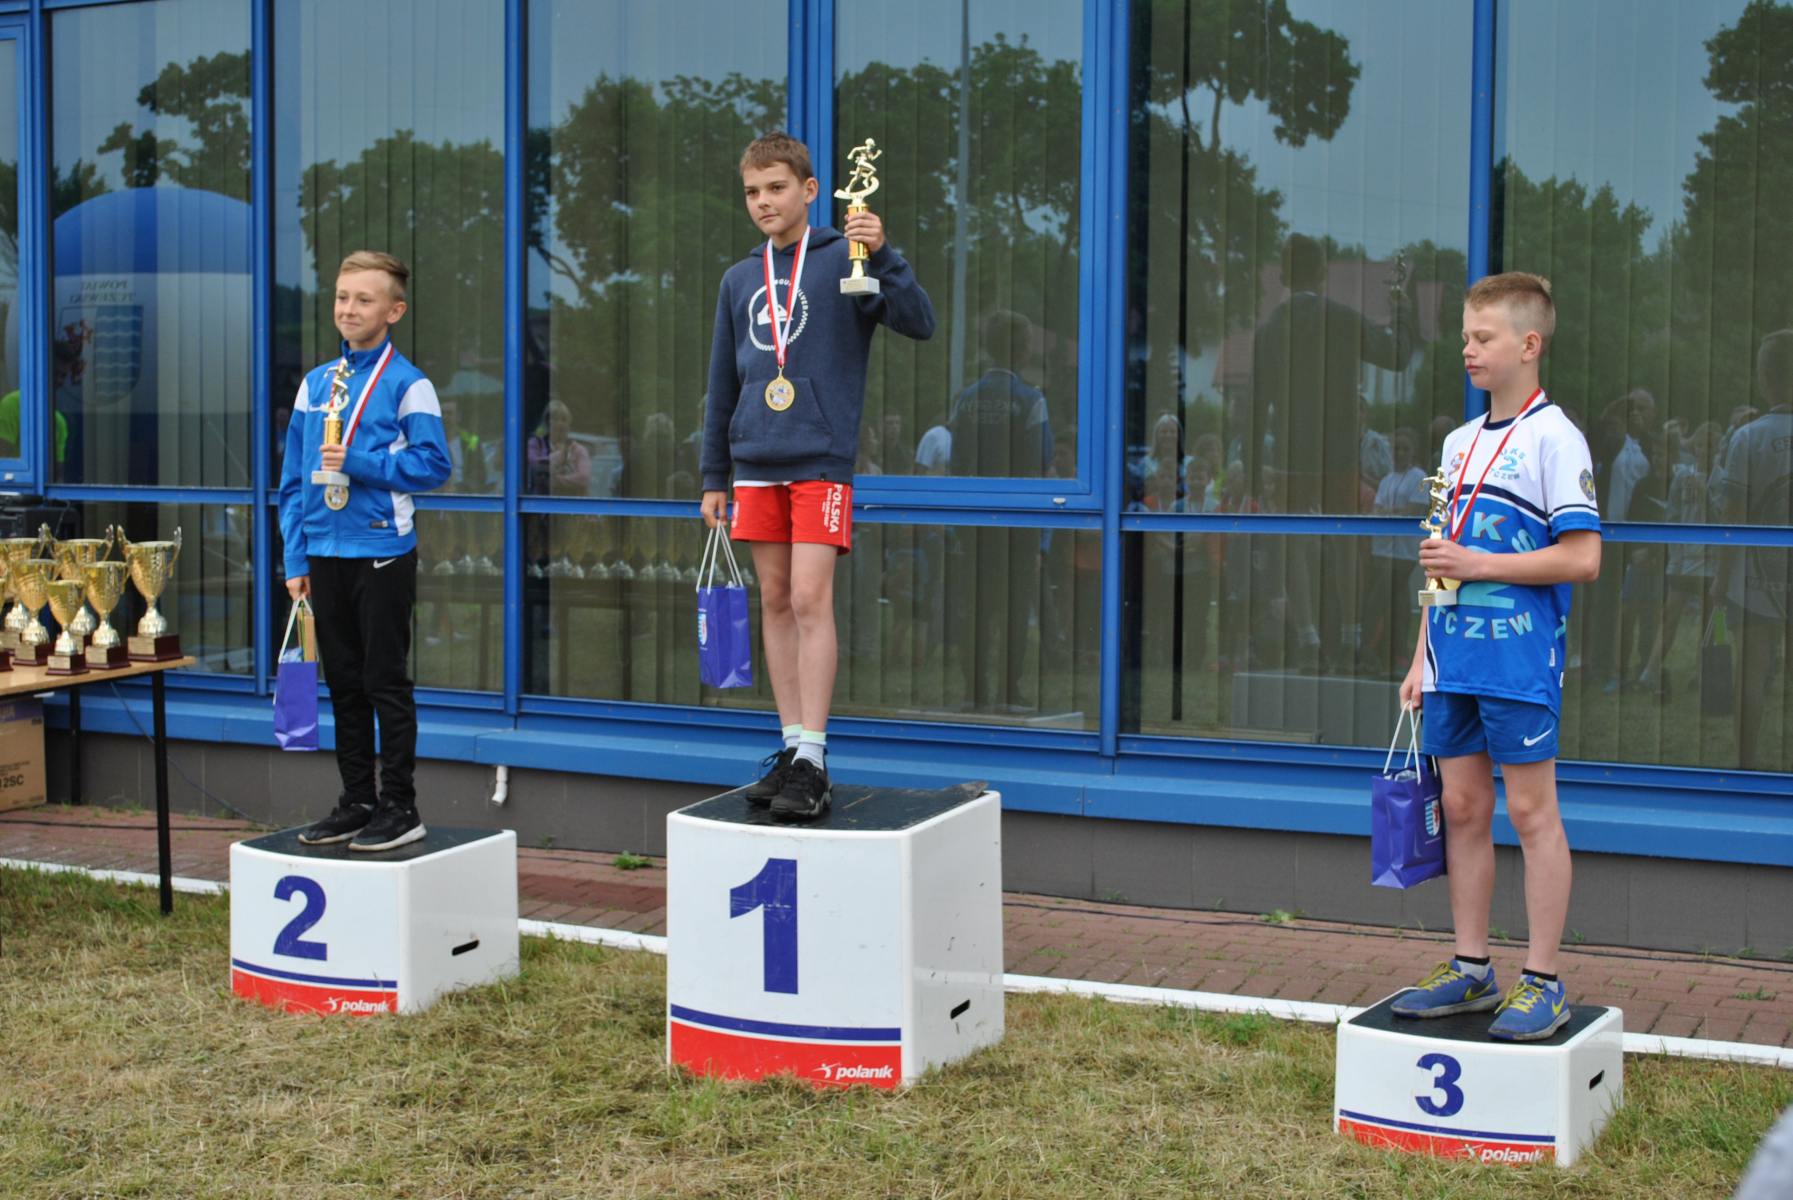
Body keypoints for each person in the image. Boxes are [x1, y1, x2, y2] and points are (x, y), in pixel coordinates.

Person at [700, 131, 935, 821]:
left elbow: (918, 322)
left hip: (818, 460)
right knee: (774, 600)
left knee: (808, 598)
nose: (763, 201)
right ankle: (789, 746)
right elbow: (722, 382)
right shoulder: (739, 278)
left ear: (808, 190)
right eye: (752, 191)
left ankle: (815, 757)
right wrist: (714, 473)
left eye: (776, 187)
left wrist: (884, 255)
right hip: (754, 463)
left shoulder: (844, 258)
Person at [1394, 272, 1602, 1041]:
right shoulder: (1456, 443)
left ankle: (1542, 980)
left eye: (1482, 338)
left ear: (1528, 344)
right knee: (1460, 808)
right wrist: (1419, 656)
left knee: (1530, 812)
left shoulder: (1555, 437)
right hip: (1452, 660)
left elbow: (1582, 558)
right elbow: (1438, 561)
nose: (1467, 350)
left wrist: (1478, 564)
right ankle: (1470, 966)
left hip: (1517, 659)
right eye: (1463, 337)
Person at [280, 251, 453, 852]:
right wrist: (295, 558)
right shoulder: (315, 384)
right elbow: (293, 480)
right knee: (344, 683)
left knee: (384, 681)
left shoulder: (409, 384)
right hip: (323, 551)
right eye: (341, 297)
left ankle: (400, 806)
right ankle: (357, 800)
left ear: (394, 311)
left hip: (381, 549)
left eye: (364, 299)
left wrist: (359, 462)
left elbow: (434, 465)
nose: (349, 309)